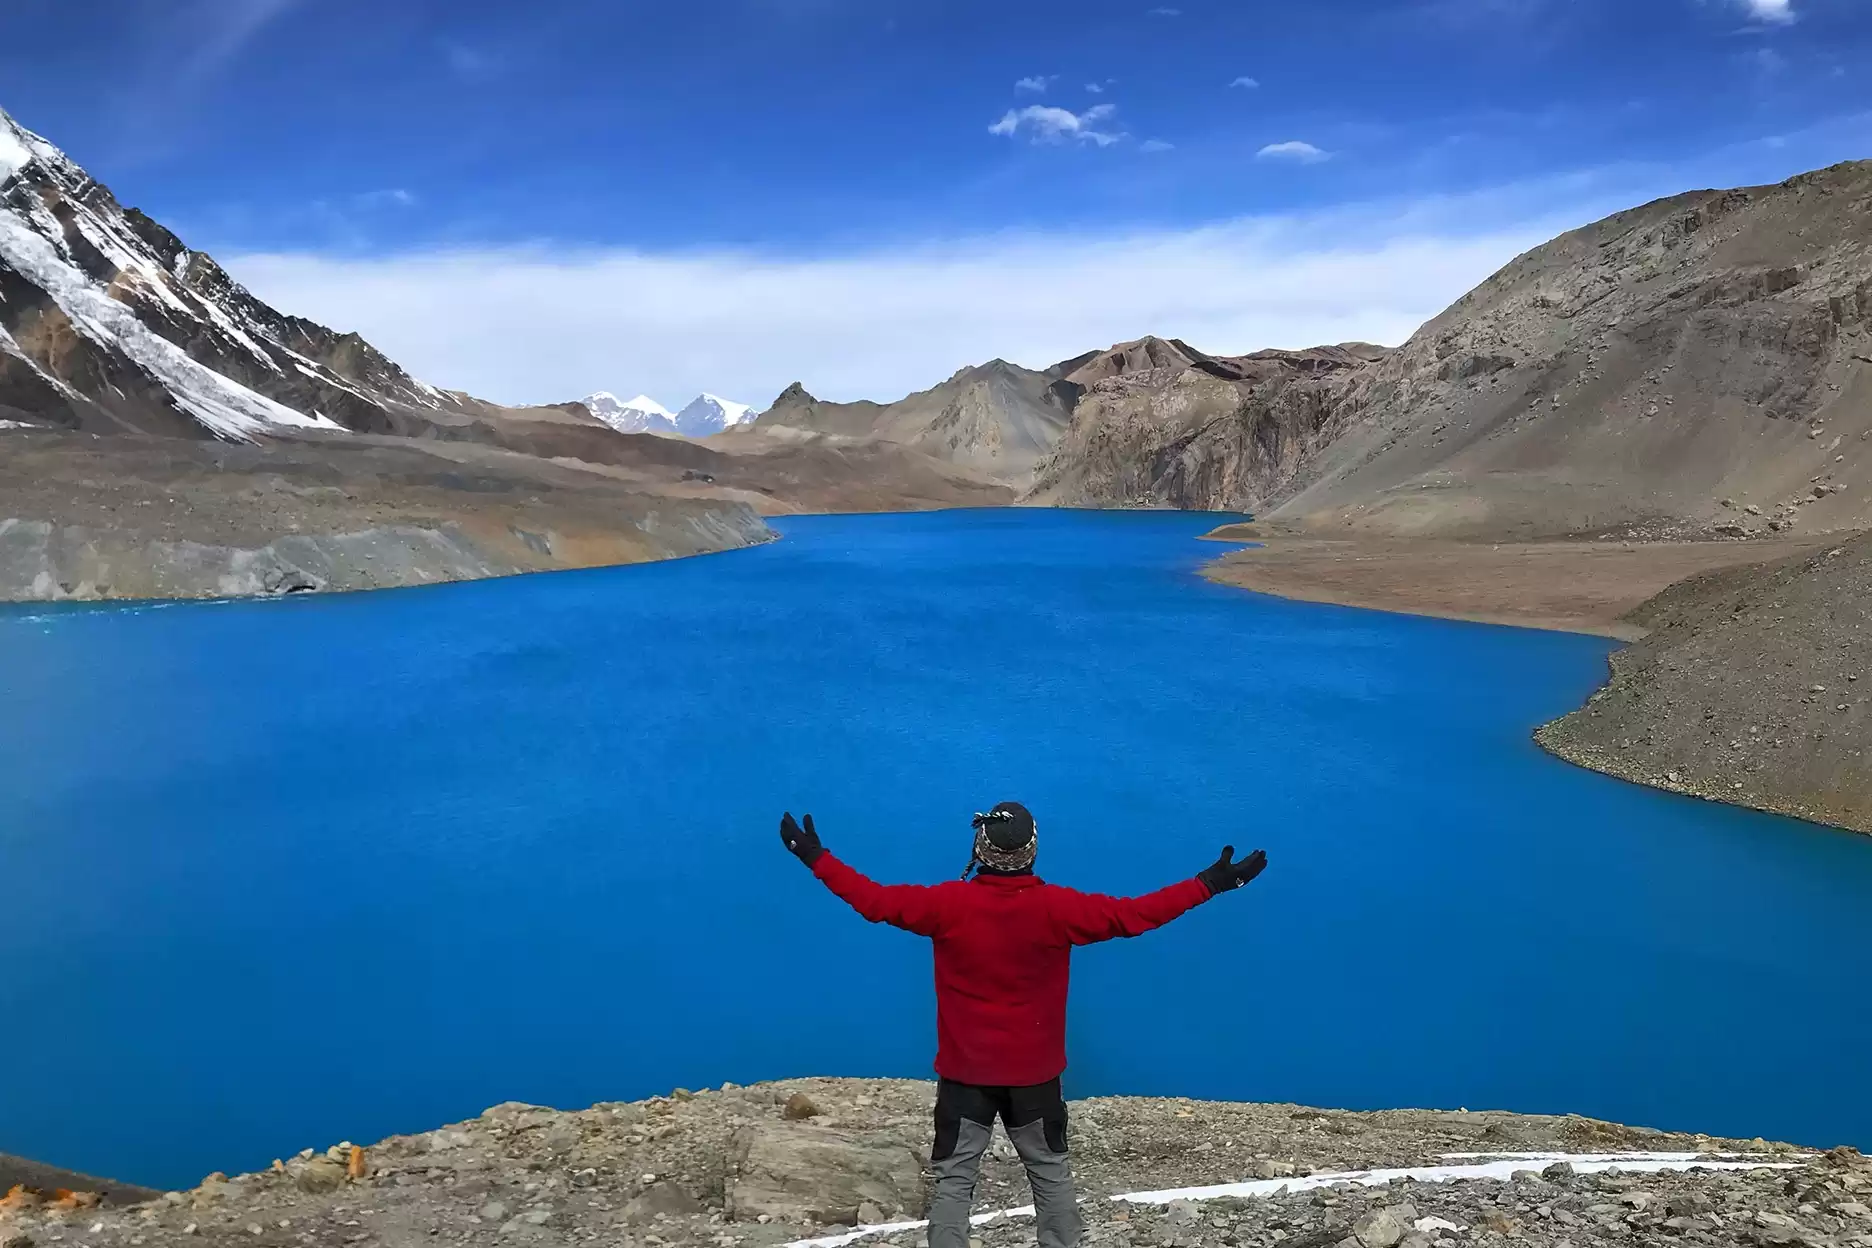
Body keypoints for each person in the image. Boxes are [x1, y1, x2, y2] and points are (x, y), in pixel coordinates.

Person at [778, 802, 1267, 1248]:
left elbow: (873, 901)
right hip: (1035, 1076)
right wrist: (1211, 882)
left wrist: (816, 857)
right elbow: (1136, 915)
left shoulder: (947, 906)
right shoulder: (1059, 909)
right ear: (1032, 849)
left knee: (954, 1180)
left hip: (966, 1075)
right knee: (1049, 1172)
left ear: (979, 850)